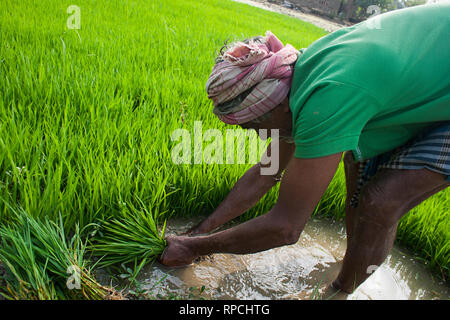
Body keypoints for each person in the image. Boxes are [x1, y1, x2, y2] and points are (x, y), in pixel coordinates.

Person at [159, 4, 450, 294]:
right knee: (357, 171)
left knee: (380, 202)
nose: (256, 135)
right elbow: (266, 172)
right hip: (428, 76)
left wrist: (193, 248)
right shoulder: (297, 82)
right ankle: (353, 261)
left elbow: (286, 227)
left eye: (250, 126)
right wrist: (199, 232)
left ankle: (339, 290)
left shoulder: (325, 100)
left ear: (274, 107)